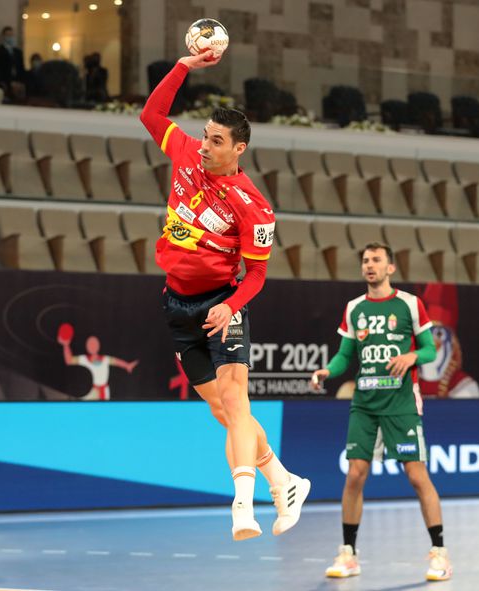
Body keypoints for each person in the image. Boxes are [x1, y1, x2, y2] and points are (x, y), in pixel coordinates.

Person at [140, 50, 310, 541]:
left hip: (221, 304)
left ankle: (242, 506)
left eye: (217, 141)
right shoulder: (185, 153)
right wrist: (183, 68)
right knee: (223, 411)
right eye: (206, 136)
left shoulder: (254, 207)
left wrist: (230, 305)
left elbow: (256, 276)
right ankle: (284, 480)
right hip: (177, 303)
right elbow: (151, 115)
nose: (205, 146)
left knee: (236, 401)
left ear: (239, 149)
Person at [311, 242, 452, 581]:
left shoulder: (409, 304)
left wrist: (411, 356)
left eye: (376, 260)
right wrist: (328, 371)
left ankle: (440, 555)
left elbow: (430, 350)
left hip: (400, 403)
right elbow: (345, 355)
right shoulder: (354, 308)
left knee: (417, 476)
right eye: (365, 261)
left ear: (390, 268)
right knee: (355, 475)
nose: (369, 265)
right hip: (365, 403)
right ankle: (348, 554)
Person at [59, 334, 139, 400]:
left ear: (98, 346)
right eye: (90, 344)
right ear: (87, 347)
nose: (92, 346)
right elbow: (69, 360)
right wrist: (66, 345)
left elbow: (116, 361)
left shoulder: (105, 359)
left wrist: (127, 365)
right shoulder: (83, 359)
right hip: (90, 391)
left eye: (94, 344)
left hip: (104, 391)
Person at [0, 26, 26, 101]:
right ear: (3, 36)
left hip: (17, 79)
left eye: (11, 35)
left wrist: (20, 81)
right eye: (8, 35)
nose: (10, 37)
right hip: (4, 80)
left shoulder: (18, 52)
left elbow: (21, 67)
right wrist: (9, 82)